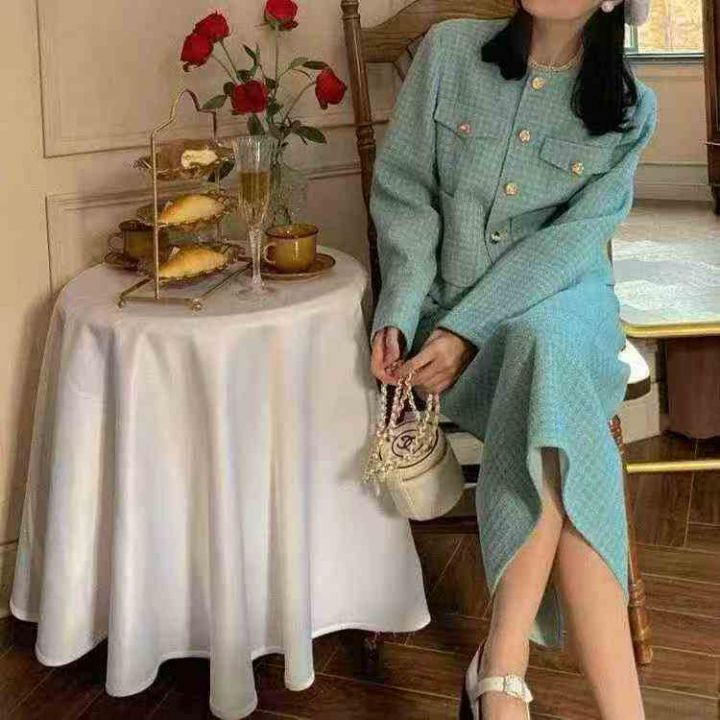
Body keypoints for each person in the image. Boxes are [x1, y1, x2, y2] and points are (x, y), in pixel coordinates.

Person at [368, 1, 656, 719]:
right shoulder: (448, 52)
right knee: (560, 414)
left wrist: (466, 330)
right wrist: (401, 309)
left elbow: (568, 248)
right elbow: (405, 195)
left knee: (548, 346)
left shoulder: (631, 111)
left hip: (566, 304)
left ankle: (502, 673)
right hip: (452, 321)